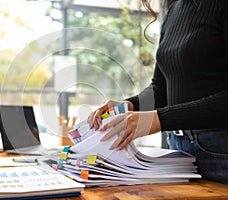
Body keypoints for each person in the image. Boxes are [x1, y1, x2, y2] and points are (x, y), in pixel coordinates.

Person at [87, 0, 228, 185]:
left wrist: (158, 119)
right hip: (179, 149)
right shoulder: (174, 11)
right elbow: (160, 87)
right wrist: (129, 105)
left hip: (221, 150)